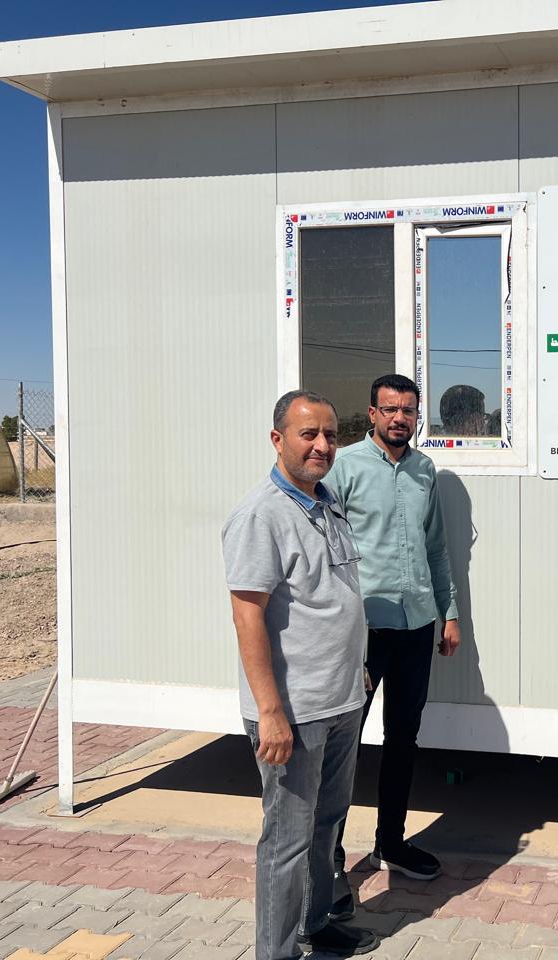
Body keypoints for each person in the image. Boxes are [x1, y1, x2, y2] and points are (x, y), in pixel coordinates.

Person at [222, 390, 377, 960]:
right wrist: (270, 712)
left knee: (326, 823)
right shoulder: (260, 515)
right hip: (293, 710)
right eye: (308, 434)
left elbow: (335, 597)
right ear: (278, 439)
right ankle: (277, 952)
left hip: (341, 699)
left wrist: (357, 669)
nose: (322, 445)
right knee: (286, 839)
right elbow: (247, 616)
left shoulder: (325, 501)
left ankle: (315, 923)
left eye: (330, 435)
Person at [327, 373, 461, 889]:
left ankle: (391, 842)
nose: (399, 418)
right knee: (343, 744)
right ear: (373, 413)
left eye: (408, 410)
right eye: (390, 409)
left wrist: (449, 613)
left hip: (416, 624)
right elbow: (325, 548)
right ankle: (329, 855)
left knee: (403, 738)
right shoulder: (344, 468)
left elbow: (436, 549)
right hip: (362, 631)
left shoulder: (425, 470)